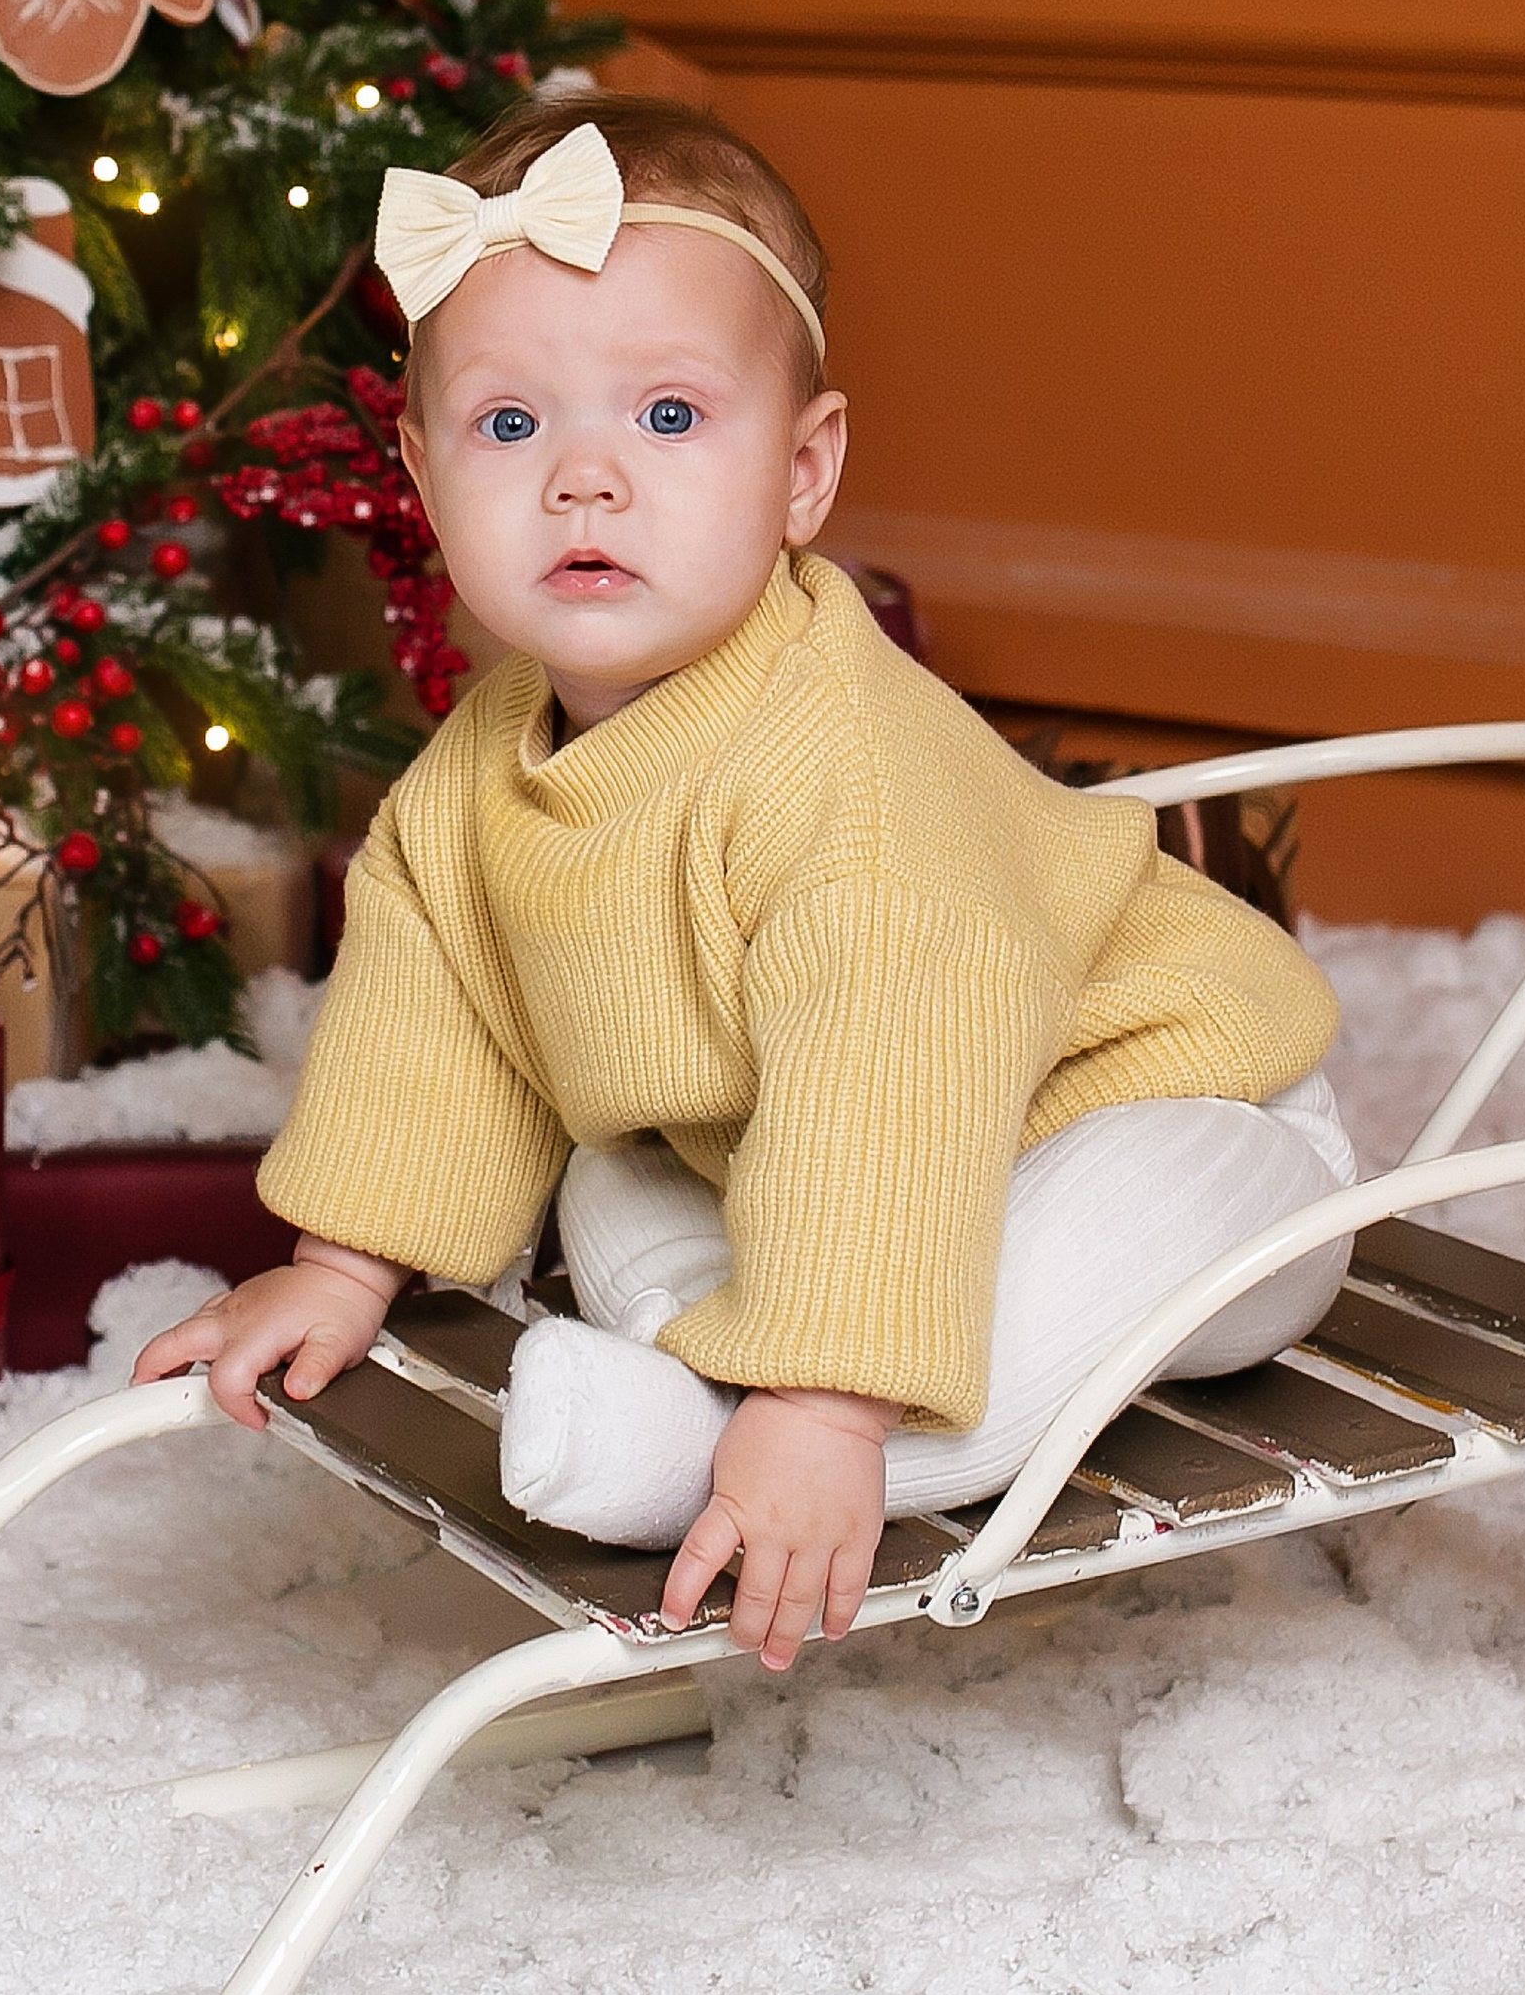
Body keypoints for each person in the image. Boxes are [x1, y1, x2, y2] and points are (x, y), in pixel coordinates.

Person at [136, 98, 1349, 1671]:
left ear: (803, 469)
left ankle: (728, 1464)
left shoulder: (845, 771)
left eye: (667, 418)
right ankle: (745, 1389)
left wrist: (828, 1401)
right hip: (821, 1157)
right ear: (426, 482)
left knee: (1074, 1268)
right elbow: (443, 1012)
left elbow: (890, 1073)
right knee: (612, 1175)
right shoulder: (480, 768)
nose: (584, 480)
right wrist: (342, 1261)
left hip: (1181, 1126)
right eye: (512, 428)